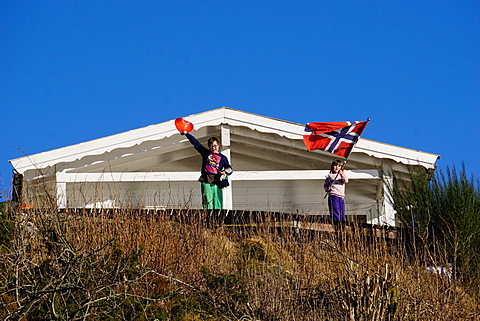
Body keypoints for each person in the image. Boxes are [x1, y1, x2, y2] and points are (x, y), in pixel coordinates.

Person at [182, 131, 233, 210]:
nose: (214, 148)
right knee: (207, 200)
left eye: (215, 146)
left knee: (217, 201)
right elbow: (196, 144)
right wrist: (187, 134)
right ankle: (207, 218)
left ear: (218, 145)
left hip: (217, 181)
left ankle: (217, 218)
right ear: (209, 147)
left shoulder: (223, 158)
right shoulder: (206, 153)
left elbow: (230, 169)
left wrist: (224, 172)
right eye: (211, 146)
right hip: (206, 179)